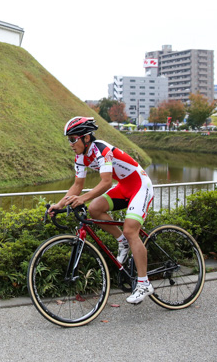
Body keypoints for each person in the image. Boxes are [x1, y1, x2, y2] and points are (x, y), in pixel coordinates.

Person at [47, 116, 155, 304]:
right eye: (69, 140)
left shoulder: (102, 150)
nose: (71, 143)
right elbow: (77, 185)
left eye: (73, 139)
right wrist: (59, 204)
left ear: (86, 138)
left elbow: (106, 182)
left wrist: (81, 199)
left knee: (131, 230)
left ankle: (144, 283)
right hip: (124, 186)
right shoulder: (80, 156)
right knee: (95, 208)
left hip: (139, 185)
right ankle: (122, 242)